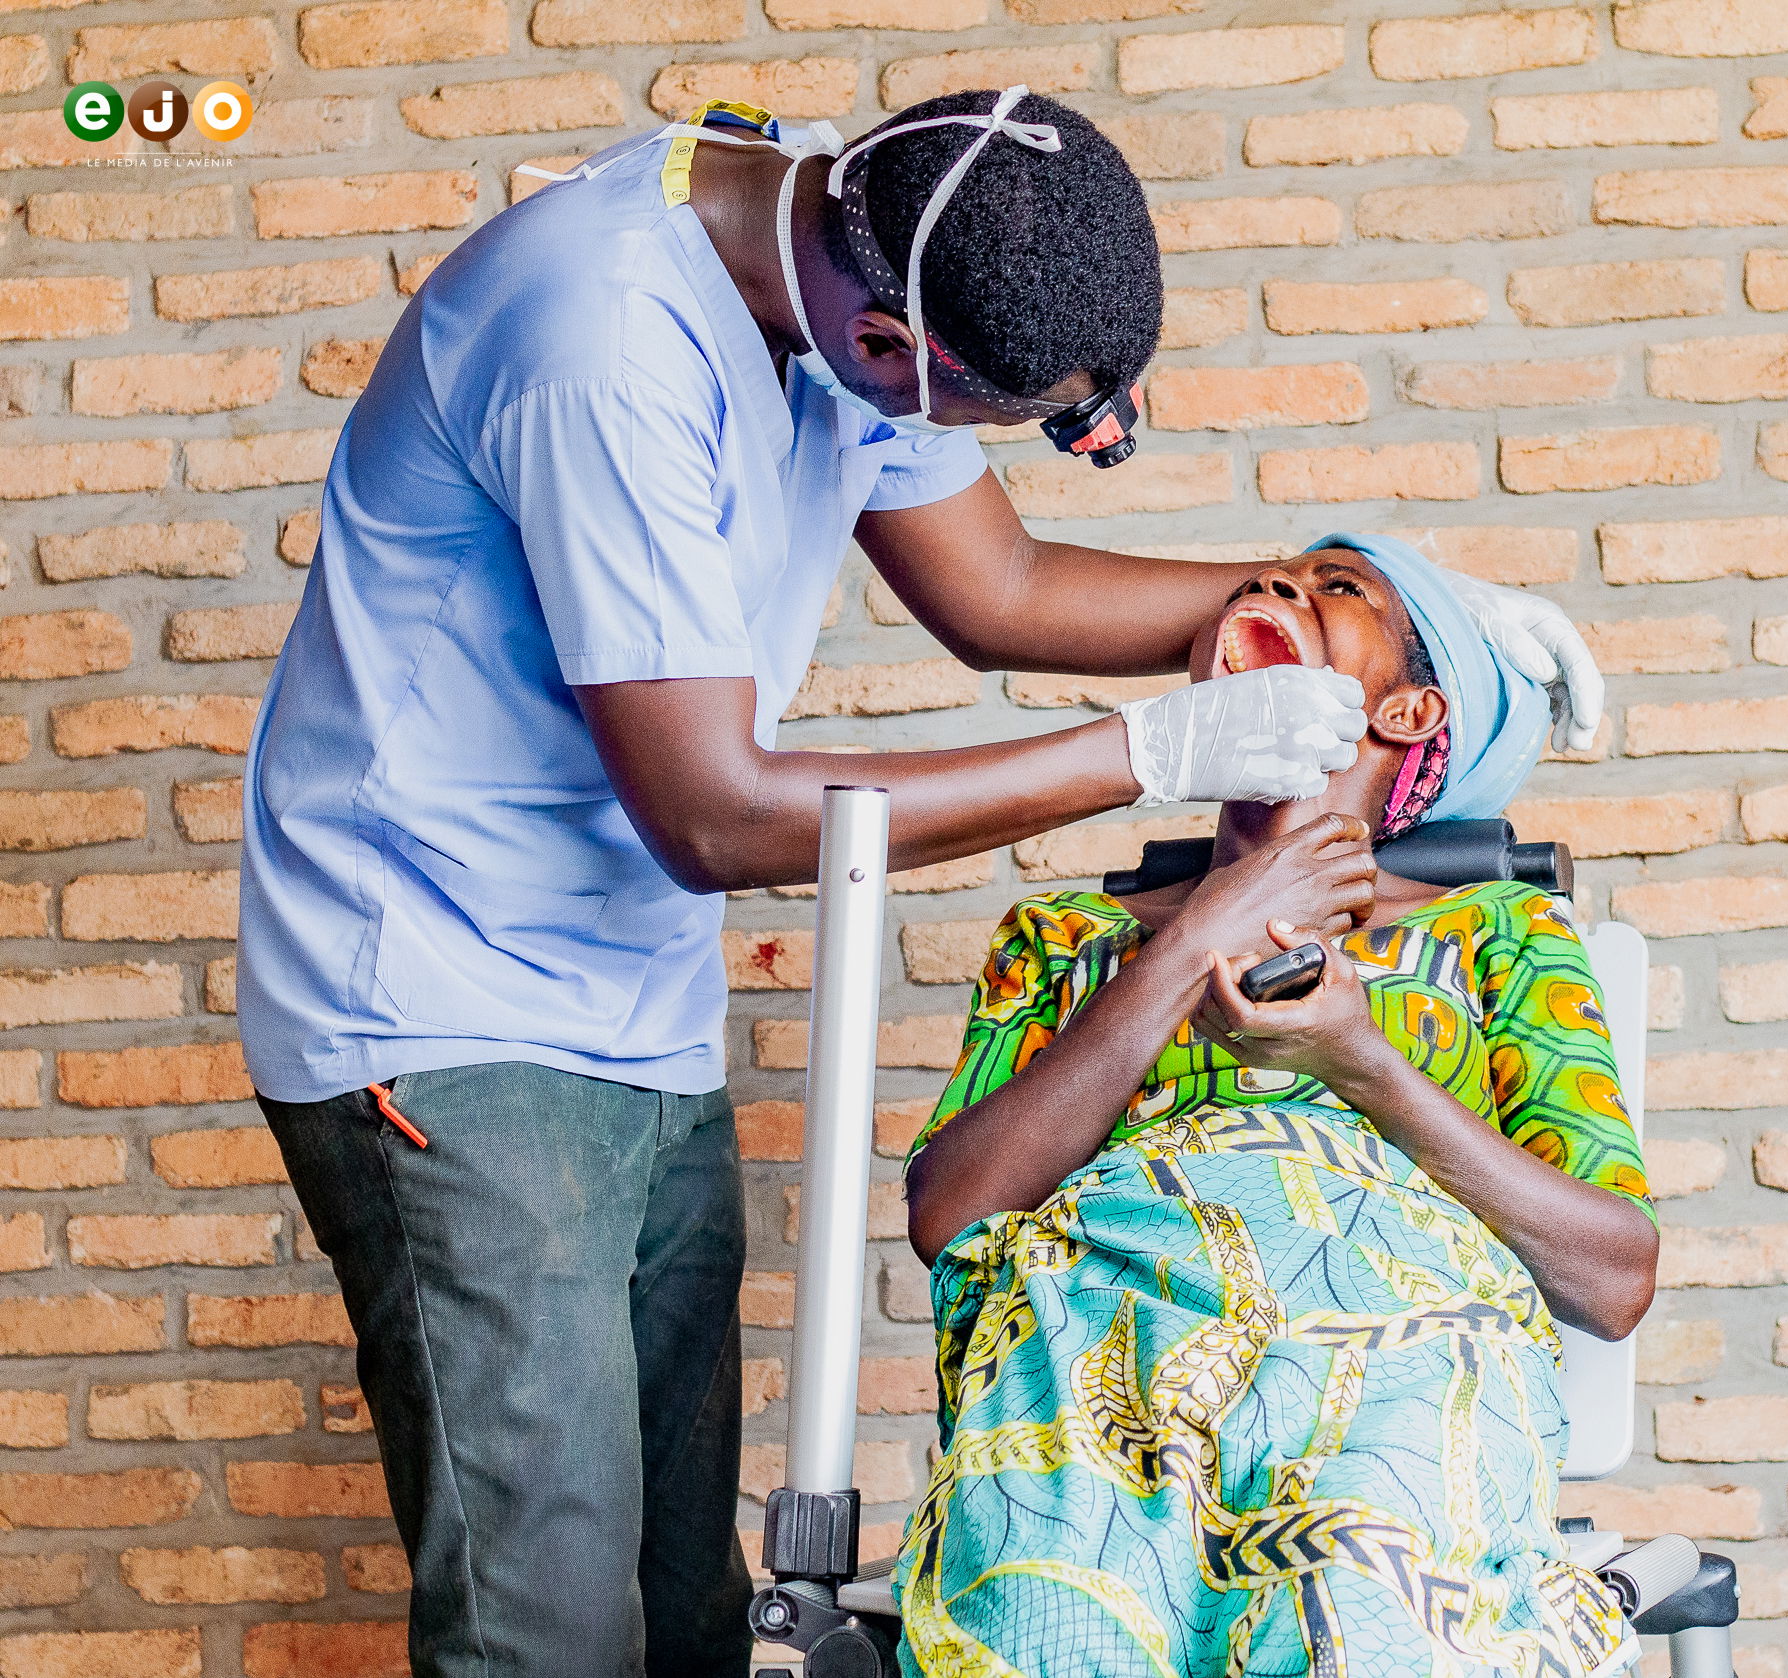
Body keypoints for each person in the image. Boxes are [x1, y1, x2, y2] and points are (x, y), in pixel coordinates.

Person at [239, 81, 1602, 1677]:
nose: (1286, 605)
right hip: (447, 991)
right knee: (545, 1622)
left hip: (633, 998)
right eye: (997, 421)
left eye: (1337, 603)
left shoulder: (857, 239)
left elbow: (1003, 581)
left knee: (680, 1606)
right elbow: (720, 819)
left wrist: (1434, 608)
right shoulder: (601, 343)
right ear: (892, 353)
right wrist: (1158, 757)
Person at [901, 533, 1657, 1678]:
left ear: (1406, 715)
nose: (1264, 588)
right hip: (1099, 1362)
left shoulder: (1499, 938)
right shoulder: (1066, 943)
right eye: (1257, 580)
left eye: (1333, 589)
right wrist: (1193, 939)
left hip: (1395, 1378)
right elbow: (948, 1214)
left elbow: (1612, 1277)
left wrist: (1364, 1062)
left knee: (1363, 1586)